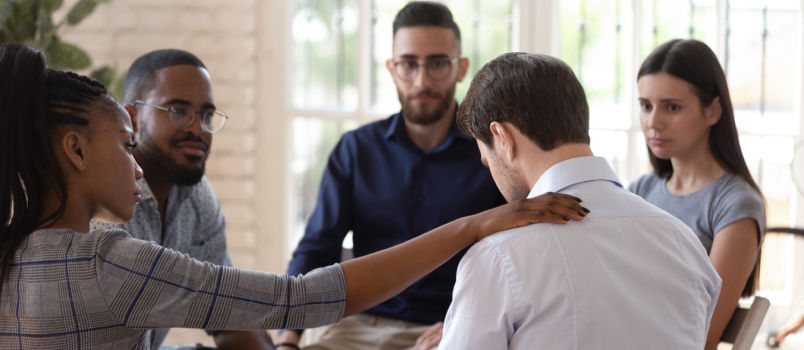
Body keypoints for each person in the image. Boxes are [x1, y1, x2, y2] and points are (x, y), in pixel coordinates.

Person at [0, 43, 588, 349]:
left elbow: (228, 314)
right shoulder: (111, 260)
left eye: (208, 113)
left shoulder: (19, 248)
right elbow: (301, 297)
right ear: (75, 151)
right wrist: (475, 225)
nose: (132, 163)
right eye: (123, 145)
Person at [438, 52, 722, 349]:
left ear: (503, 138)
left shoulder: (497, 257)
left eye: (486, 155)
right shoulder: (686, 245)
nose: (488, 166)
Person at [276, 2, 506, 349]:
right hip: (359, 326)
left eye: (438, 64)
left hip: (453, 327)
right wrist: (287, 339)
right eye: (409, 64)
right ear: (391, 68)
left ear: (461, 69)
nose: (422, 80)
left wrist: (471, 320)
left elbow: (517, 255)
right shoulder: (356, 150)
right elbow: (316, 250)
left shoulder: (493, 152)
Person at [87, 48, 270, 349]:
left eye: (207, 115)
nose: (198, 129)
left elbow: (225, 310)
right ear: (131, 117)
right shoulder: (100, 198)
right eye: (178, 111)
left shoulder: (197, 196)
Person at [628, 39, 766, 350]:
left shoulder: (734, 205)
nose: (653, 123)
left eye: (672, 107)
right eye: (646, 106)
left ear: (713, 111)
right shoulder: (639, 191)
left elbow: (700, 337)